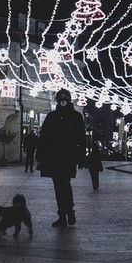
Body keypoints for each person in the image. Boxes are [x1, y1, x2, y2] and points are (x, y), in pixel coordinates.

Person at [37, 89, 86, 226]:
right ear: (58, 100)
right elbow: (43, 137)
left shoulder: (75, 116)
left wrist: (81, 157)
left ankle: (68, 212)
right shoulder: (52, 116)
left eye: (65, 98)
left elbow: (81, 138)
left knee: (64, 183)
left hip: (67, 157)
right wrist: (40, 155)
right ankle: (64, 214)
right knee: (59, 185)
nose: (63, 100)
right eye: (61, 98)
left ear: (69, 99)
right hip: (53, 158)